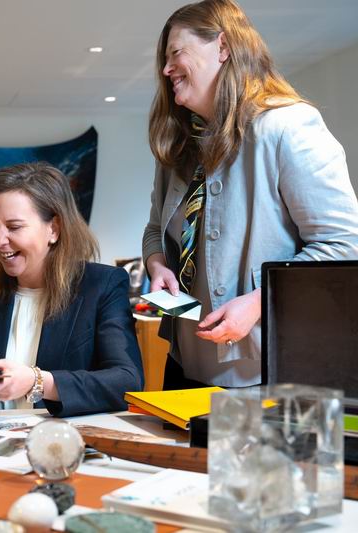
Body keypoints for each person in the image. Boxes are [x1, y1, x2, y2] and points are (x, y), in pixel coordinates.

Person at [143, 0, 358, 389]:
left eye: (176, 53)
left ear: (223, 47)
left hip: (265, 372)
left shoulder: (288, 126)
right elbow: (155, 229)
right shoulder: (179, 148)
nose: (166, 69)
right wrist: (157, 265)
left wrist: (260, 302)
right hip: (183, 363)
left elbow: (343, 246)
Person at [0, 162, 144, 417]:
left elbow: (127, 382)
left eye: (14, 227)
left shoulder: (102, 285)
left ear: (54, 229)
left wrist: (38, 382)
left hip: (65, 440)